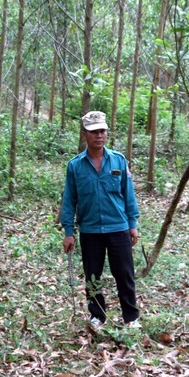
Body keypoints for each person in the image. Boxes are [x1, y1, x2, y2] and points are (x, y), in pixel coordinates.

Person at [61, 110, 141, 329]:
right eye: (94, 132)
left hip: (118, 227)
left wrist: (132, 225)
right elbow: (69, 199)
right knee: (92, 274)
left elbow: (128, 194)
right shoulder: (75, 166)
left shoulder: (118, 160)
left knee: (124, 274)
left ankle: (131, 317)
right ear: (85, 134)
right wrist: (69, 232)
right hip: (90, 230)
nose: (99, 136)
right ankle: (97, 315)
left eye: (102, 131)